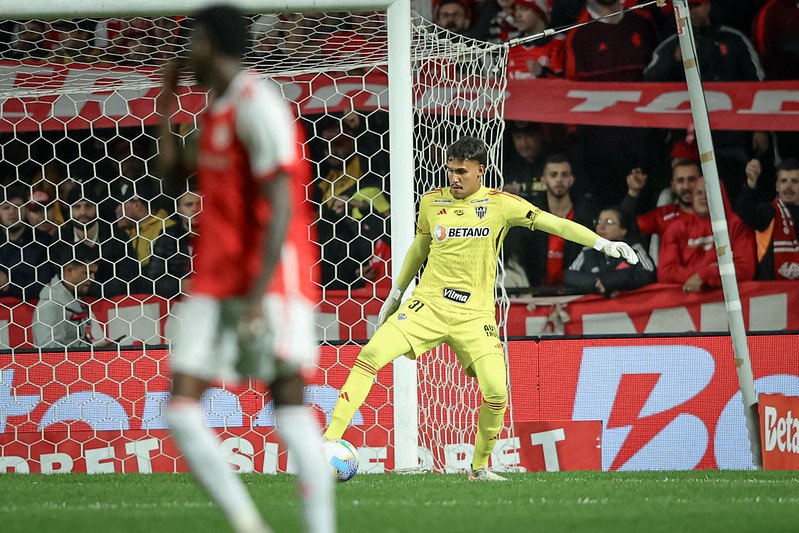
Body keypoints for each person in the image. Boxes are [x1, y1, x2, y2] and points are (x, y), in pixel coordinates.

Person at [323, 136, 638, 480]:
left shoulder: (501, 204)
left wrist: (602, 243)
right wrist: (397, 292)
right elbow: (420, 247)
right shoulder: (431, 201)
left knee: (496, 391)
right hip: (428, 305)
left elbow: (555, 223)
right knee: (370, 355)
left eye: (462, 171)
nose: (454, 178)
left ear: (480, 171)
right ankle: (329, 442)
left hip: (475, 316)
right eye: (450, 170)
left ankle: (479, 467)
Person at [157, 5, 333, 533]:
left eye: (191, 43)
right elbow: (171, 178)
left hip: (270, 279)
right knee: (181, 408)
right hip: (215, 279)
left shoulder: (260, 104)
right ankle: (248, 524)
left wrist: (258, 296)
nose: (186, 54)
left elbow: (282, 203)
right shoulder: (216, 109)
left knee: (288, 406)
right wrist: (165, 104)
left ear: (207, 43)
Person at [644, 0, 767, 201]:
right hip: (687, 142)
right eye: (688, 7)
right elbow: (647, 84)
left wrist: (760, 126)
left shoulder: (733, 39)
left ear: (708, 5)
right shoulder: (672, 44)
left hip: (732, 139)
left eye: (697, 6)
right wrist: (672, 60)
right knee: (687, 197)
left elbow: (758, 84)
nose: (692, 11)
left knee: (733, 195)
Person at [503, 154, 596, 288]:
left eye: (564, 175)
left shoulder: (585, 216)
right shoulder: (529, 216)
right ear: (543, 181)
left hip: (574, 292)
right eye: (553, 175)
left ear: (571, 180)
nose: (559, 180)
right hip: (535, 291)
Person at [658, 176, 755, 292]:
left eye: (709, 192)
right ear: (693, 197)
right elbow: (665, 273)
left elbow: (745, 269)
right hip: (689, 297)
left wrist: (704, 276)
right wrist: (704, 274)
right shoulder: (677, 228)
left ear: (720, 196)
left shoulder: (736, 225)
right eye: (699, 193)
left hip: (727, 297)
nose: (703, 197)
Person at [52, 180, 136, 298]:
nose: (83, 212)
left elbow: (129, 279)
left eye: (88, 206)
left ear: (97, 208)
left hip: (112, 303)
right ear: (69, 210)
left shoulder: (117, 236)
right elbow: (58, 281)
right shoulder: (60, 239)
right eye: (77, 207)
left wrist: (88, 287)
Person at [114, 179, 189, 298]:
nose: (117, 210)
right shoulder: (124, 235)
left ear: (136, 205)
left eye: (121, 204)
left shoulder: (167, 228)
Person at [620, 158, 701, 264]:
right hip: (672, 274)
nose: (686, 186)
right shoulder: (664, 215)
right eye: (680, 181)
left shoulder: (717, 212)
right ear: (673, 186)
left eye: (691, 180)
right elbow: (623, 225)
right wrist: (633, 192)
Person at [565, 206, 656, 296]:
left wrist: (609, 281)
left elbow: (648, 273)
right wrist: (599, 282)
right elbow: (569, 275)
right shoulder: (588, 250)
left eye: (608, 222)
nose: (600, 226)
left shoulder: (634, 250)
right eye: (598, 221)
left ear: (623, 230)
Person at [735, 158, 799, 280]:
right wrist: (751, 183)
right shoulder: (768, 212)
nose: (789, 186)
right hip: (772, 289)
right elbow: (743, 212)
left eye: (795, 181)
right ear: (777, 186)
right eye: (784, 181)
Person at [32, 243, 104, 349]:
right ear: (68, 270)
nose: (92, 278)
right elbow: (49, 354)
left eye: (93, 273)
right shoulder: (50, 306)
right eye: (87, 273)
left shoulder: (76, 300)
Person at [0, 184, 56, 300]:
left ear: (26, 210)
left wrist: (8, 286)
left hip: (34, 308)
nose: (12, 212)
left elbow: (45, 287)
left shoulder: (44, 242)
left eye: (17, 206)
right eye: (6, 208)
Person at [506, 0, 564, 79]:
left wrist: (543, 72)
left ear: (539, 12)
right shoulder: (509, 46)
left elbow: (568, 83)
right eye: (515, 10)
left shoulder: (559, 43)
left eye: (524, 8)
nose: (517, 14)